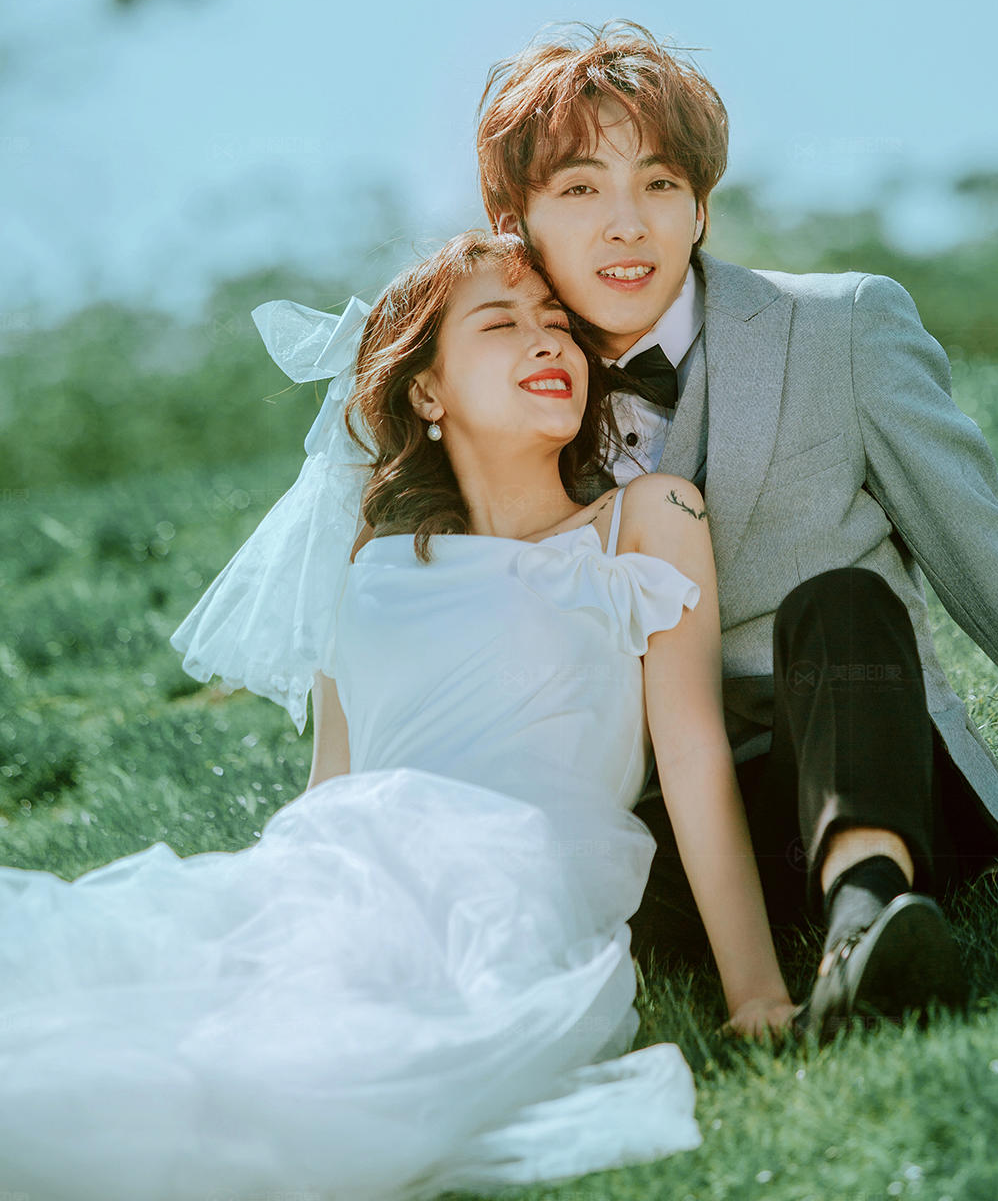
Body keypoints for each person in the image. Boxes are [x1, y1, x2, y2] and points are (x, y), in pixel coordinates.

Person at [470, 19, 998, 1042]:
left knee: (842, 603)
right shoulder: (499, 396)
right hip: (671, 833)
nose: (626, 224)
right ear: (515, 222)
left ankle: (869, 923)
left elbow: (987, 562)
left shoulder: (840, 327)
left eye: (659, 183)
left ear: (701, 205)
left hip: (889, 779)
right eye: (582, 188)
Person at [0, 231, 798, 1201]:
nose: (548, 341)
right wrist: (273, 895)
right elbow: (327, 786)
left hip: (507, 885)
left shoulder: (646, 517)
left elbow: (693, 754)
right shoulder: (365, 562)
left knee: (288, 1093)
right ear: (426, 391)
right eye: (501, 324)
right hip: (340, 864)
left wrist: (756, 991)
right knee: (123, 1016)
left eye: (557, 323)